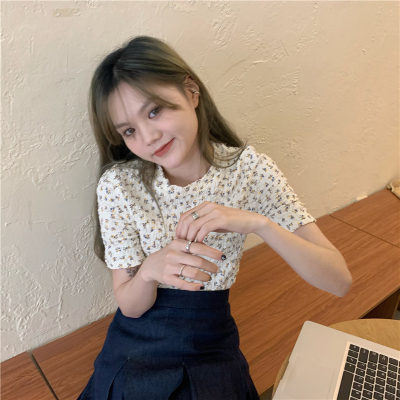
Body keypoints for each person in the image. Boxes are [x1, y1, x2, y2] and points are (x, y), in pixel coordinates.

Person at [77, 35, 352, 400]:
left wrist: (259, 224)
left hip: (210, 338)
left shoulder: (251, 171)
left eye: (154, 110)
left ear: (191, 91)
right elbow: (129, 304)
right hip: (138, 342)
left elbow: (339, 281)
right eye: (129, 130)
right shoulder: (119, 185)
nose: (149, 136)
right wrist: (149, 271)